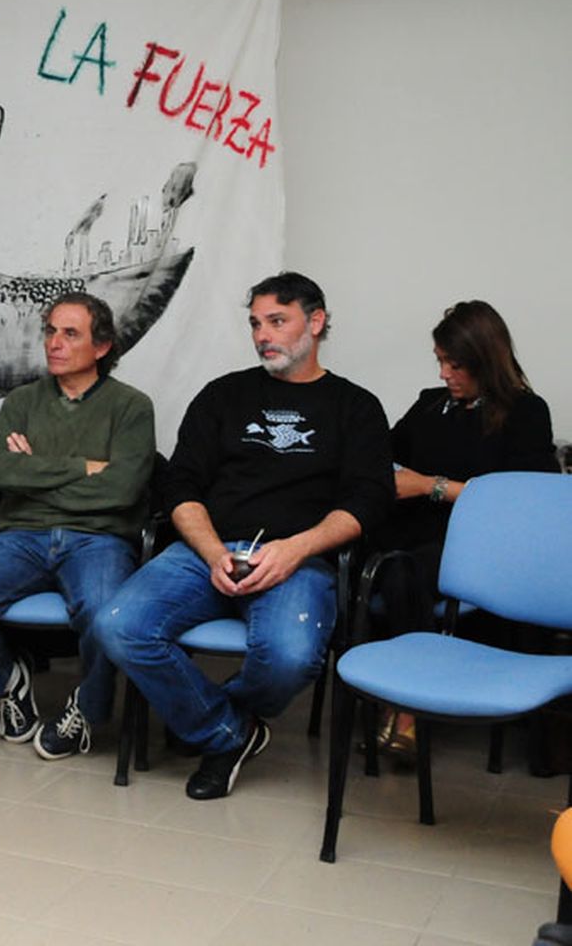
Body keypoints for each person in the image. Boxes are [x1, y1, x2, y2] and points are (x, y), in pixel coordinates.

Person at [97, 272, 393, 799]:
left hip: (298, 559)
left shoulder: (356, 406)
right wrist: (211, 552)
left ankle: (210, 716)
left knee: (289, 656)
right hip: (206, 550)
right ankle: (227, 733)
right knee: (119, 626)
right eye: (256, 323)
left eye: (277, 321)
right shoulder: (223, 396)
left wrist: (295, 549)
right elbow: (180, 485)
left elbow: (367, 502)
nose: (262, 335)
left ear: (316, 322)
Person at [0, 293, 154, 758]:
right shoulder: (23, 400)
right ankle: (4, 685)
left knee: (104, 613)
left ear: (101, 347)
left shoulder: (131, 406)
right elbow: (2, 472)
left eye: (69, 333)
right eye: (50, 331)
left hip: (98, 540)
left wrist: (40, 470)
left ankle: (86, 711)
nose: (54, 343)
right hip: (21, 536)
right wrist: (85, 467)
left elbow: (123, 490)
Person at [369, 300, 556, 756]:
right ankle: (375, 690)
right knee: (366, 553)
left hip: (479, 547)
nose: (444, 374)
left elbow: (519, 501)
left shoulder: (525, 413)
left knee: (402, 572)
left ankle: (405, 707)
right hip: (415, 531)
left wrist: (427, 486)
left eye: (454, 365)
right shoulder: (431, 405)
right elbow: (385, 453)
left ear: (485, 363)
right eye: (440, 362)